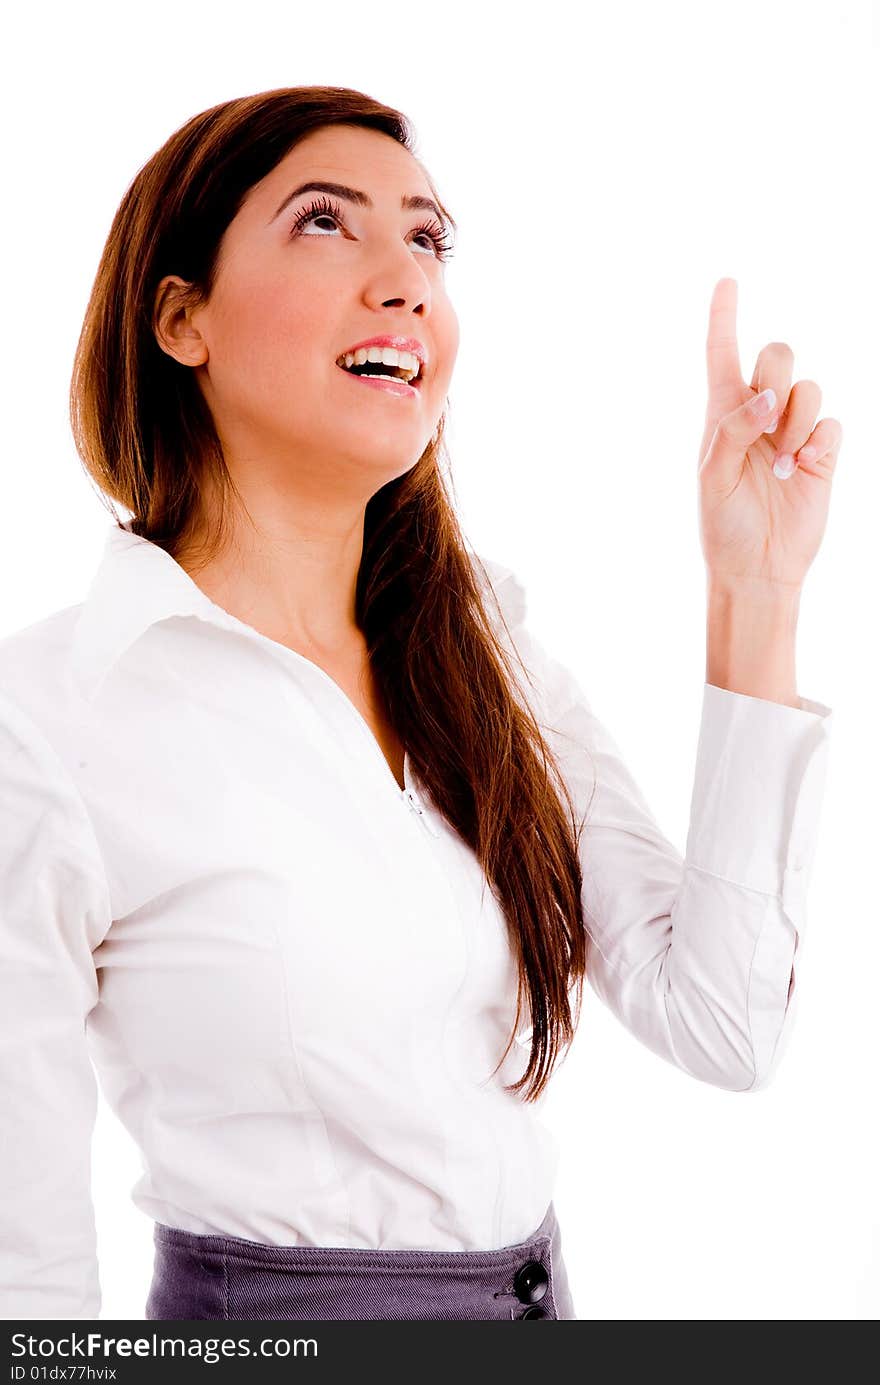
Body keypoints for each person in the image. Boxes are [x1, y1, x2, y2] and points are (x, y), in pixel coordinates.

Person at [0, 85, 838, 1322]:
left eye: (429, 241)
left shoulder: (485, 649)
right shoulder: (54, 716)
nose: (404, 280)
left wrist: (755, 592)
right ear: (182, 318)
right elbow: (24, 1257)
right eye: (327, 224)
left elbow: (721, 1022)